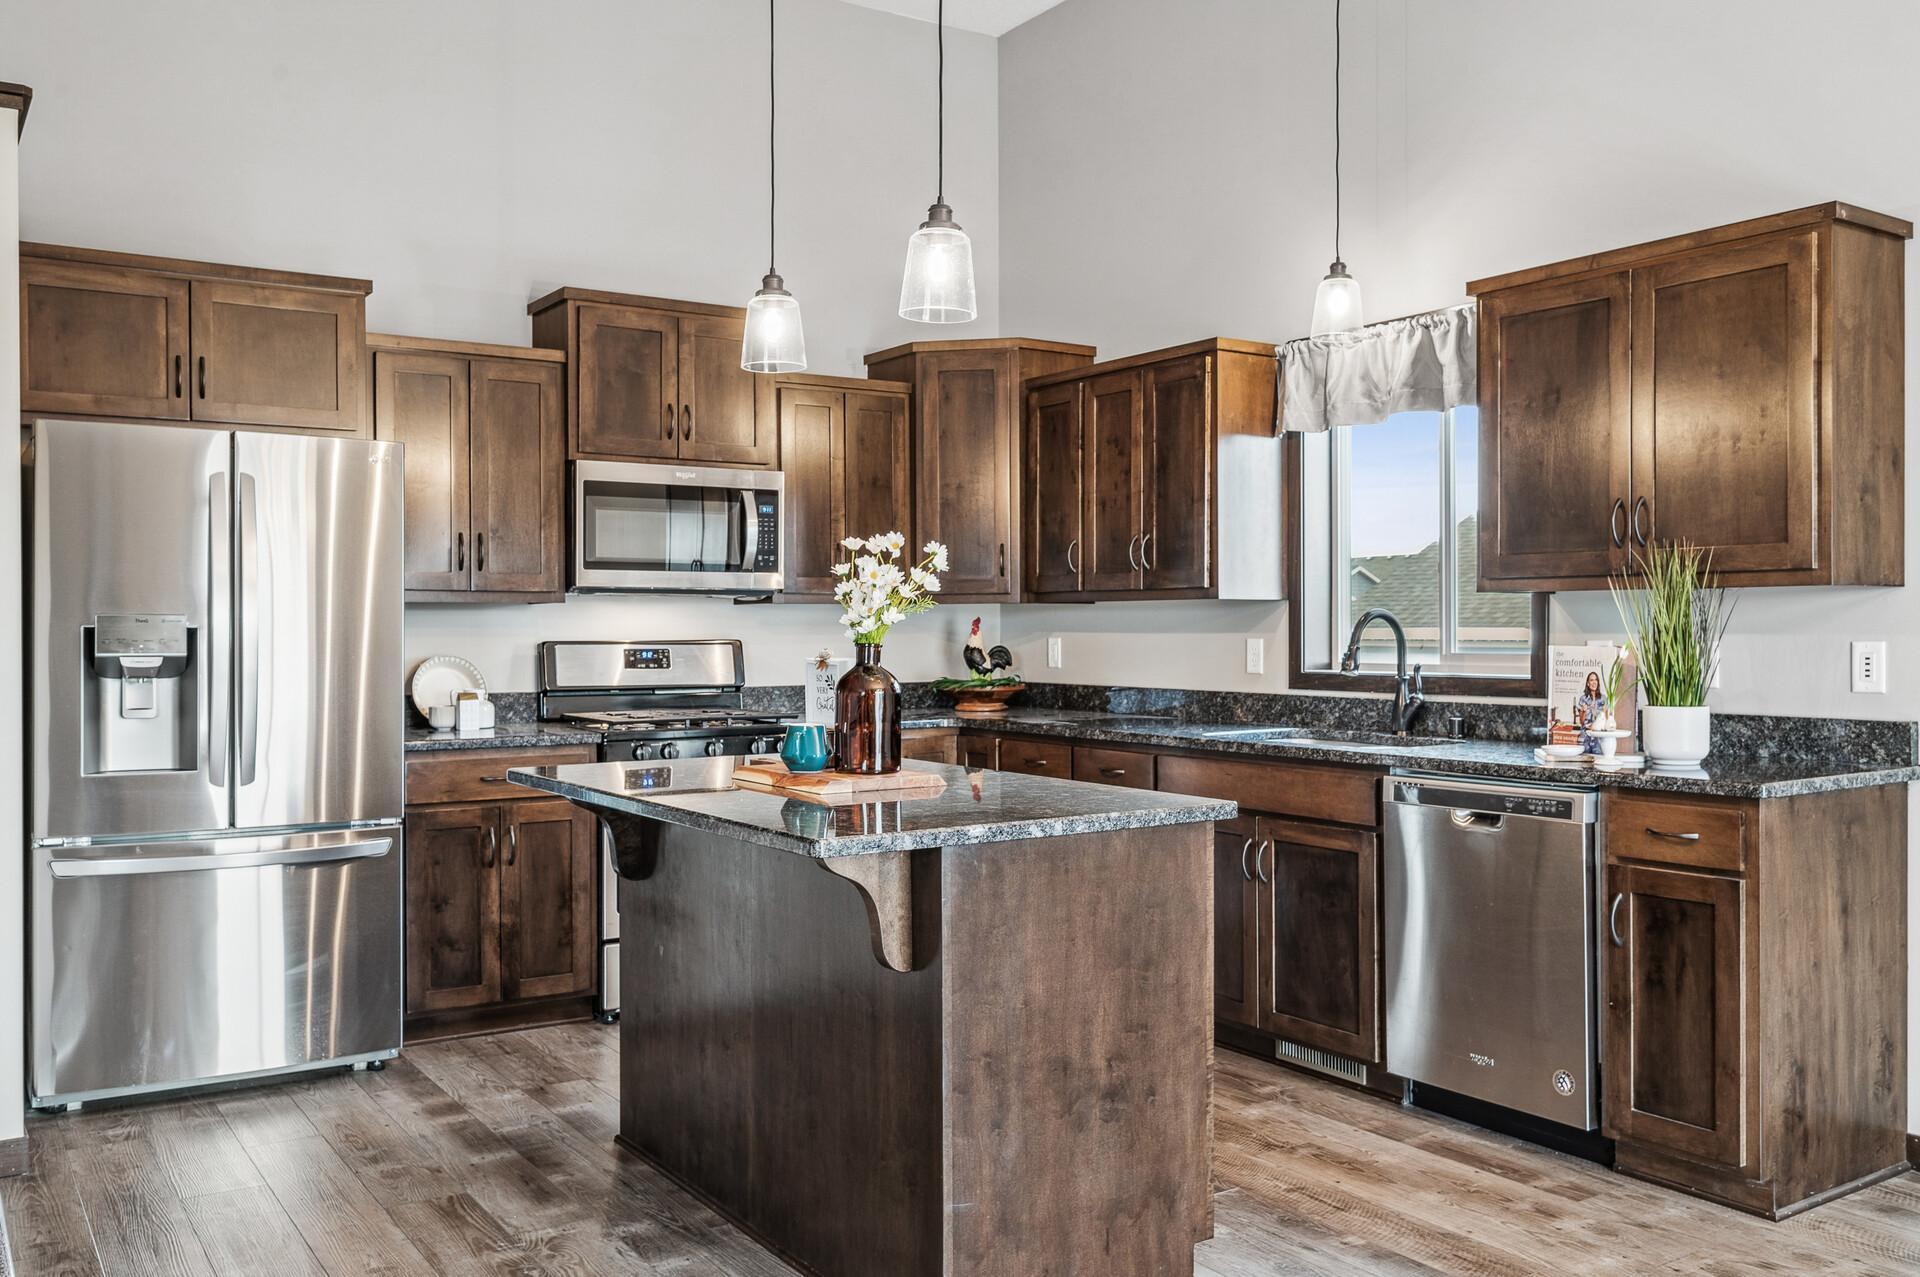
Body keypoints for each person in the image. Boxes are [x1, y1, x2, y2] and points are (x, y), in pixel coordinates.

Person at [1574, 669, 1608, 751]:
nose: (1594, 682)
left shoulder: (1603, 699)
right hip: (1585, 736)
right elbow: (1582, 722)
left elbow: (1606, 720)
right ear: (1588, 684)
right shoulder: (1583, 699)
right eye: (1591, 680)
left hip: (1598, 738)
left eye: (1596, 680)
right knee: (1584, 761)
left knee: (1598, 760)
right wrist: (1583, 711)